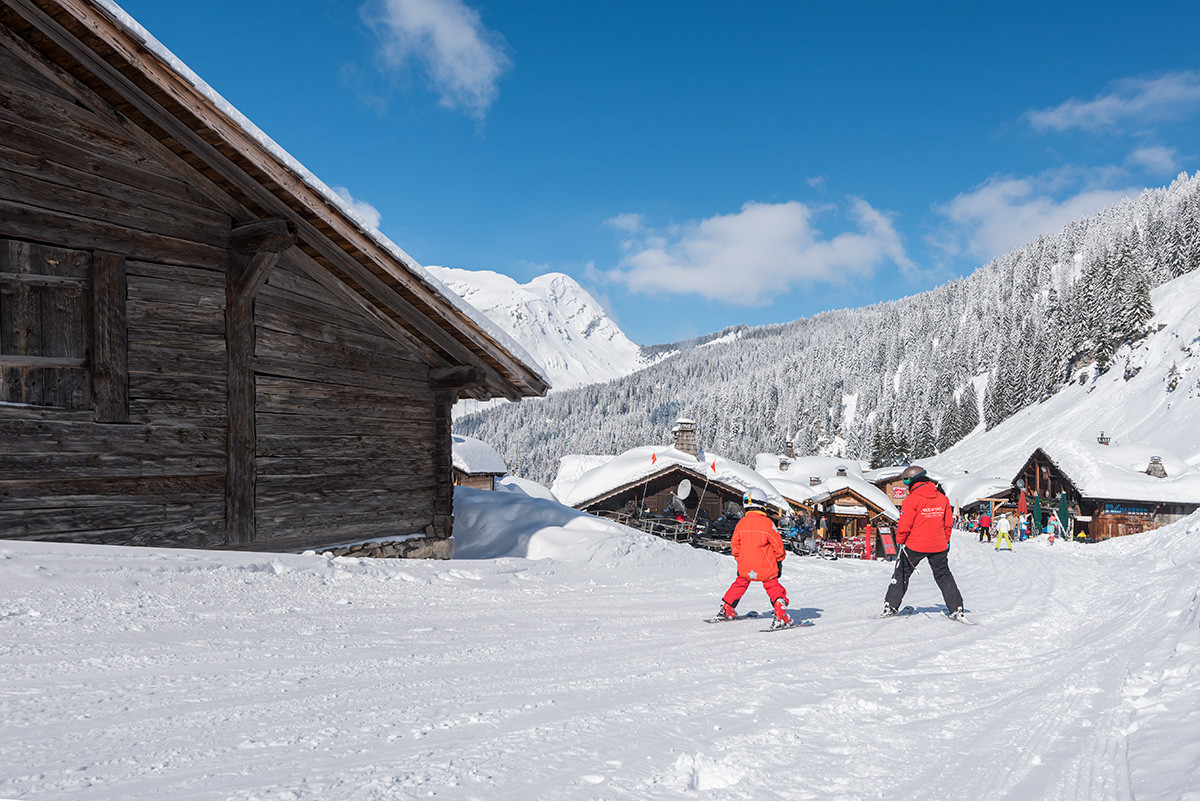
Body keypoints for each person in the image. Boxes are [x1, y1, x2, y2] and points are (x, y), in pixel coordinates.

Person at [882, 466, 965, 620]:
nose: (906, 484)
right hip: (938, 546)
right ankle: (956, 608)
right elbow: (948, 523)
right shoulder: (943, 499)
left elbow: (904, 525)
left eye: (906, 480)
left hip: (915, 545)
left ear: (913, 480)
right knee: (943, 575)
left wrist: (900, 541)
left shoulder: (911, 500)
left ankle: (891, 606)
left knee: (902, 573)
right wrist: (946, 541)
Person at [716, 488, 792, 628]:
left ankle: (727, 609)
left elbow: (735, 544)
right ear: (763, 505)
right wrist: (779, 559)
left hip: (745, 565)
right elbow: (777, 545)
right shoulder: (767, 523)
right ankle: (781, 614)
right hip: (765, 566)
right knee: (772, 585)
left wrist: (739, 558)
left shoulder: (741, 523)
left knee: (740, 583)